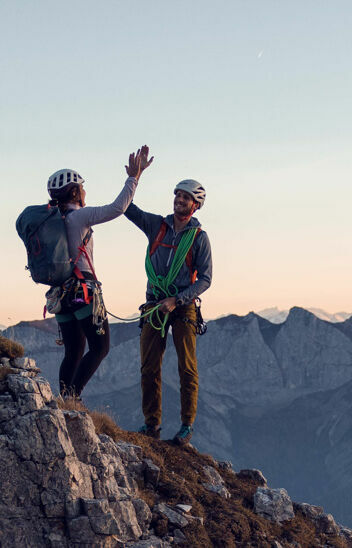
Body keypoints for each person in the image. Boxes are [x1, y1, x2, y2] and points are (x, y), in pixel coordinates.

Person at [43, 146, 155, 401]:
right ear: (74, 191)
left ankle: (66, 401)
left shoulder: (52, 220)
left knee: (73, 351)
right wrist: (134, 178)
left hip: (60, 294)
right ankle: (73, 397)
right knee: (100, 348)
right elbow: (117, 208)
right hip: (83, 290)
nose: (85, 191)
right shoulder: (79, 216)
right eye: (82, 187)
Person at [124, 179, 212, 445]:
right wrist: (133, 179)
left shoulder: (199, 238)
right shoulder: (157, 227)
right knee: (149, 366)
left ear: (195, 206)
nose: (179, 200)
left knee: (186, 367)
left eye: (186, 197)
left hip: (182, 305)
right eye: (177, 195)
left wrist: (178, 299)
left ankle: (186, 426)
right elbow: (128, 209)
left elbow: (205, 279)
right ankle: (152, 424)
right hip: (154, 303)